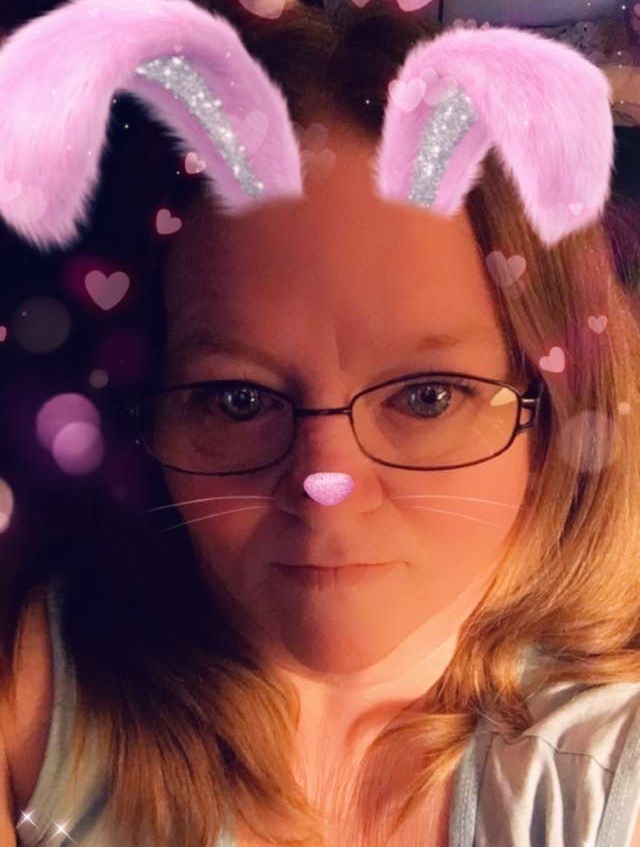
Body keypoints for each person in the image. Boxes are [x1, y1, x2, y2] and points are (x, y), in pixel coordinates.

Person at [1, 0, 640, 846]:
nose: (325, 485)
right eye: (237, 399)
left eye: (426, 396)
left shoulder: (610, 774)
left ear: (555, 413)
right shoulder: (46, 690)